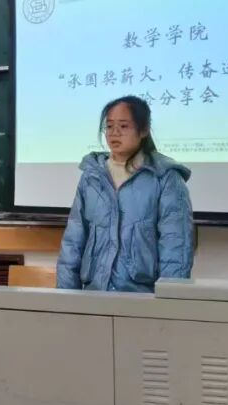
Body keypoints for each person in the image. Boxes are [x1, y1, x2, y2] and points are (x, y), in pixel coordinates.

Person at [57, 96, 194, 293]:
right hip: (94, 294)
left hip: (142, 297)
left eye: (123, 126)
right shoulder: (92, 175)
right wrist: (65, 296)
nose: (114, 133)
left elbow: (176, 245)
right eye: (109, 126)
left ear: (144, 130)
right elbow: (73, 240)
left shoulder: (165, 177)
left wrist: (170, 299)